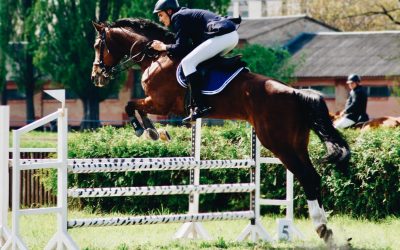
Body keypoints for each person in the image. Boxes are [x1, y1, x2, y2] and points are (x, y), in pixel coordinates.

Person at [151, 0, 239, 122]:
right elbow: (189, 47)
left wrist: (163, 47)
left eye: (161, 15)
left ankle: (201, 106)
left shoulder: (178, 17)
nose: (160, 19)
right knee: (199, 61)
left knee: (188, 63)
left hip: (223, 36)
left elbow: (180, 48)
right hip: (231, 36)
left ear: (169, 11)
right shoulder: (185, 16)